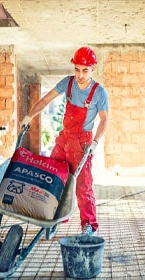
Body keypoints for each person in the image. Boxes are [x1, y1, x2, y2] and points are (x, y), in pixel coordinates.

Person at [21, 46, 109, 235]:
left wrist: (95, 142)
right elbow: (45, 101)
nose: (80, 75)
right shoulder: (67, 84)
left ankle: (88, 225)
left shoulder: (99, 92)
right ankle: (56, 218)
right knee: (54, 180)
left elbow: (104, 120)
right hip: (63, 140)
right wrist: (29, 116)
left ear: (93, 69)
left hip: (82, 144)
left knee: (82, 186)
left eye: (85, 70)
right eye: (77, 69)